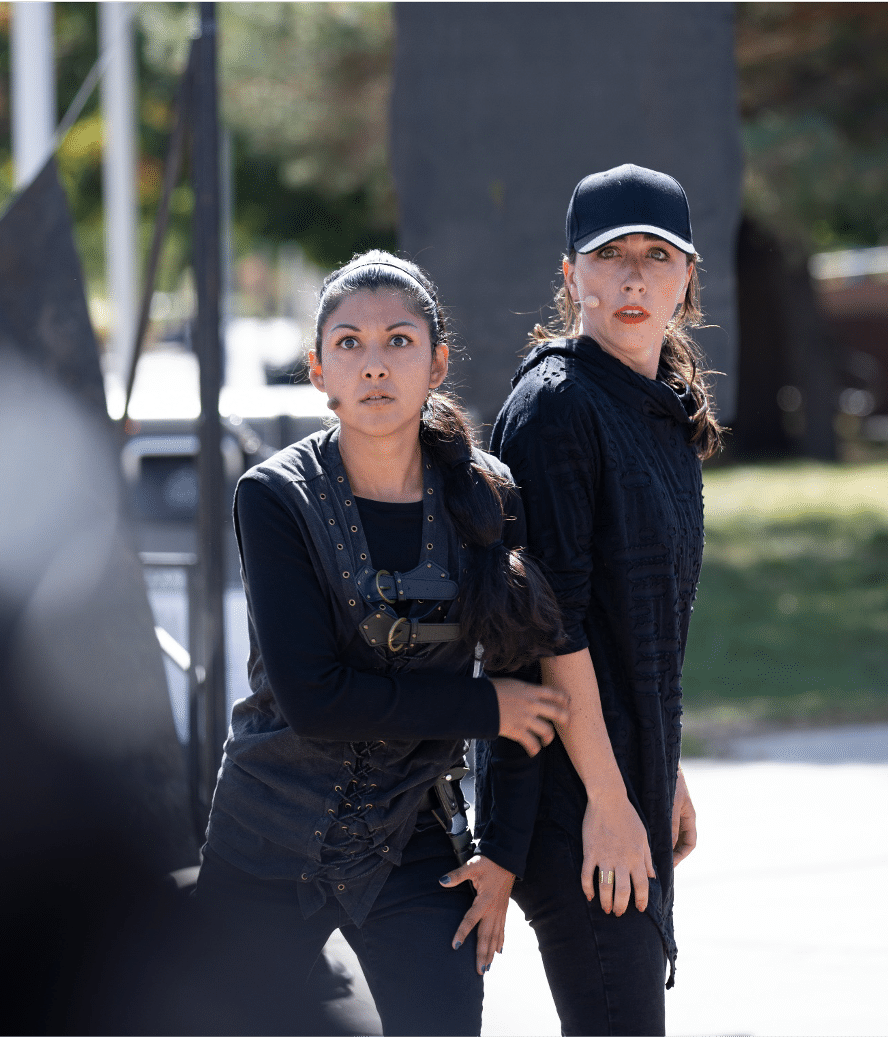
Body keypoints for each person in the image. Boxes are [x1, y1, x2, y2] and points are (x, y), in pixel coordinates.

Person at [195, 251, 569, 1036]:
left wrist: (501, 853)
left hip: (411, 837)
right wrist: (482, 705)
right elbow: (314, 698)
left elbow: (528, 694)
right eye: (350, 344)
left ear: (436, 363)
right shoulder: (273, 497)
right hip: (265, 832)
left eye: (399, 341)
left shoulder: (488, 496)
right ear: (318, 370)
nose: (374, 365)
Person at [490, 165, 721, 1036]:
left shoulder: (658, 406)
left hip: (628, 776)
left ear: (687, 278)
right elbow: (560, 628)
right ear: (570, 276)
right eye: (610, 256)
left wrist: (666, 768)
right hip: (575, 799)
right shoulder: (557, 407)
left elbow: (647, 629)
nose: (633, 277)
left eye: (657, 256)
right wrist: (614, 801)